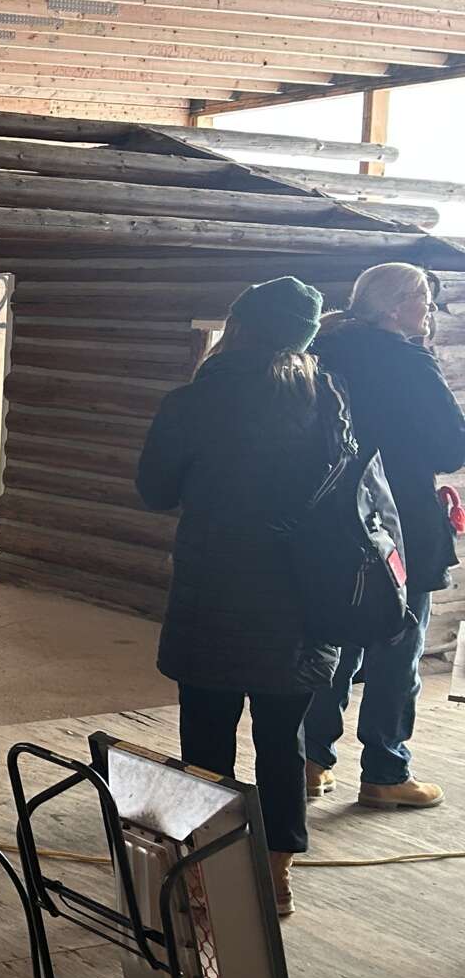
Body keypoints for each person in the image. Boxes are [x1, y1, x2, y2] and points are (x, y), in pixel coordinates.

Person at [136, 277, 342, 916]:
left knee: (205, 741)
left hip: (214, 592)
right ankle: (277, 875)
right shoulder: (327, 398)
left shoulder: (195, 400)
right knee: (286, 742)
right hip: (301, 599)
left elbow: (155, 490)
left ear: (240, 326)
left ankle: (205, 874)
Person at [304, 264, 465, 810]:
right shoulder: (408, 360)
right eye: (424, 303)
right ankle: (385, 771)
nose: (429, 314)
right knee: (399, 647)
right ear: (397, 308)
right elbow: (450, 449)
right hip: (399, 521)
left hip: (332, 516)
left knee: (336, 640)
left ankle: (310, 761)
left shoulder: (323, 349)